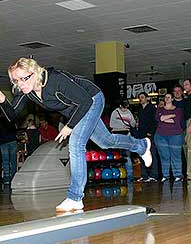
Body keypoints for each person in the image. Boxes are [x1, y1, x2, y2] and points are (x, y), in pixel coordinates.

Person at [0, 58, 152, 212]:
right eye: (15, 81)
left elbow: (85, 102)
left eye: (23, 78)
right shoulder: (27, 90)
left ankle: (75, 197)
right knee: (106, 141)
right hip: (76, 110)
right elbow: (11, 114)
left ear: (35, 72)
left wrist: (69, 126)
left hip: (92, 99)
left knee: (75, 144)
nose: (20, 84)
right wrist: (2, 99)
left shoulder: (55, 79)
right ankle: (142, 146)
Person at [154, 93, 185, 182]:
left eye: (169, 97)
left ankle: (178, 175)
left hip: (175, 135)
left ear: (172, 99)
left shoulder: (178, 110)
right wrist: (171, 116)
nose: (167, 98)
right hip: (160, 136)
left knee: (176, 156)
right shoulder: (159, 109)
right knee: (164, 156)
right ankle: (166, 175)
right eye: (165, 97)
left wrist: (164, 119)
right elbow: (159, 118)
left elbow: (175, 121)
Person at [109, 99, 136, 181]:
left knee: (127, 156)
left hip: (126, 135)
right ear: (120, 106)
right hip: (117, 136)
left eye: (126, 107)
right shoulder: (115, 112)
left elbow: (133, 123)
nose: (125, 109)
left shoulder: (128, 112)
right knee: (118, 156)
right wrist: (122, 126)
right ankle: (117, 175)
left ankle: (130, 176)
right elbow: (111, 124)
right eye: (124, 107)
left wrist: (132, 123)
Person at [137, 92, 159, 182]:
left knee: (152, 153)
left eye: (142, 97)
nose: (140, 99)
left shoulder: (151, 108)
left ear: (147, 98)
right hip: (141, 134)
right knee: (142, 153)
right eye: (139, 98)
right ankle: (144, 175)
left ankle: (154, 175)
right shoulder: (140, 109)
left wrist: (150, 132)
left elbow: (155, 121)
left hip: (149, 134)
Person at [0, 113, 17, 185]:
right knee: (13, 161)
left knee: (5, 161)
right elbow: (15, 128)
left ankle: (6, 179)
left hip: (3, 142)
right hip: (12, 140)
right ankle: (14, 177)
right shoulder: (11, 118)